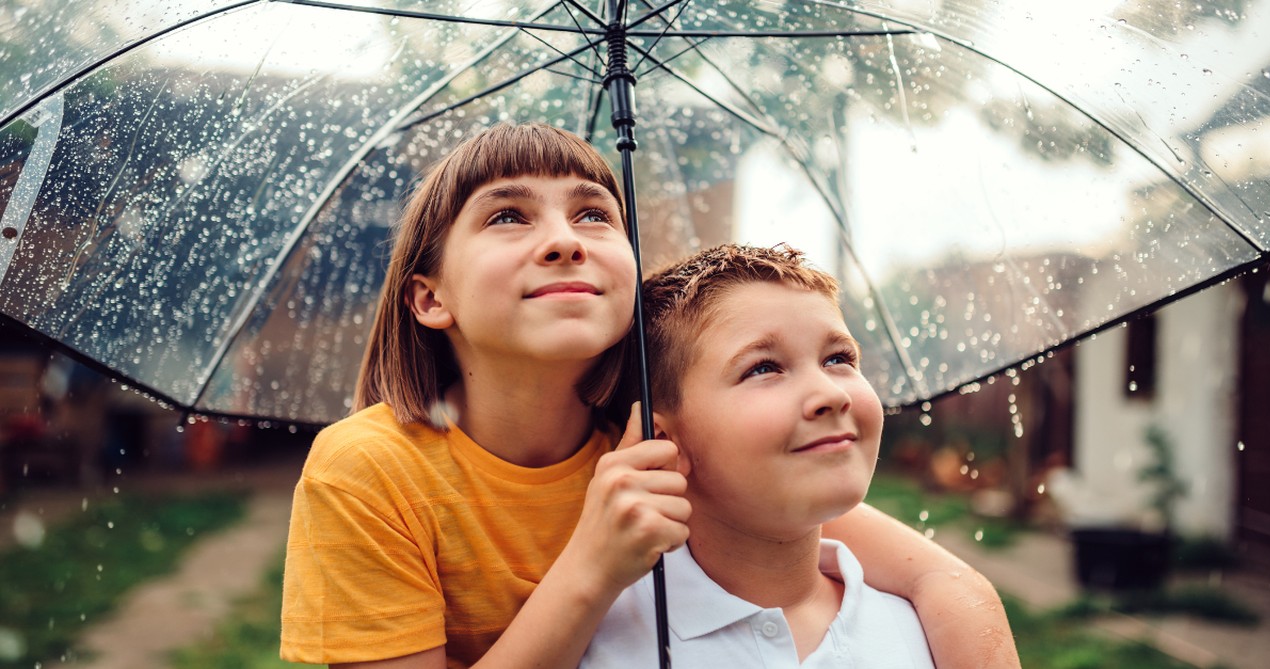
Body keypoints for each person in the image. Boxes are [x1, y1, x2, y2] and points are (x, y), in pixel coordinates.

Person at [280, 122, 1018, 669]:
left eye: (594, 214)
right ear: (429, 296)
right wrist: (593, 566)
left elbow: (943, 578)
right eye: (509, 215)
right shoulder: (367, 471)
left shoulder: (663, 442)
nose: (565, 240)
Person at [582, 244, 942, 668]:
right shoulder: (593, 644)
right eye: (764, 368)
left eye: (838, 359)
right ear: (664, 441)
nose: (831, 394)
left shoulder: (926, 633)